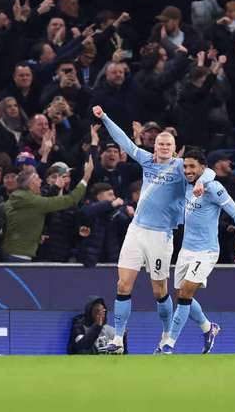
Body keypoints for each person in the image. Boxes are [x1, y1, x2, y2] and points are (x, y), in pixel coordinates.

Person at [93, 105, 216, 355]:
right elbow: (124, 142)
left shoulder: (183, 168)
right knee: (123, 285)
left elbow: (210, 170)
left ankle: (165, 337)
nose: (163, 147)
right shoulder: (147, 160)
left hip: (161, 236)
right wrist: (104, 117)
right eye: (160, 143)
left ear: (174, 148)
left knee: (160, 291)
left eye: (168, 144)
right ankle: (117, 341)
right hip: (136, 231)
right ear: (155, 146)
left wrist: (201, 183)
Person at [158, 150, 235, 354]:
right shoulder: (187, 184)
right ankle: (209, 328)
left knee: (186, 292)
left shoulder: (213, 187)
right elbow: (172, 166)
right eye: (186, 167)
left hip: (206, 251)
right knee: (182, 294)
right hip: (186, 250)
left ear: (202, 168)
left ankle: (168, 344)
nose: (188, 170)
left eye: (192, 167)